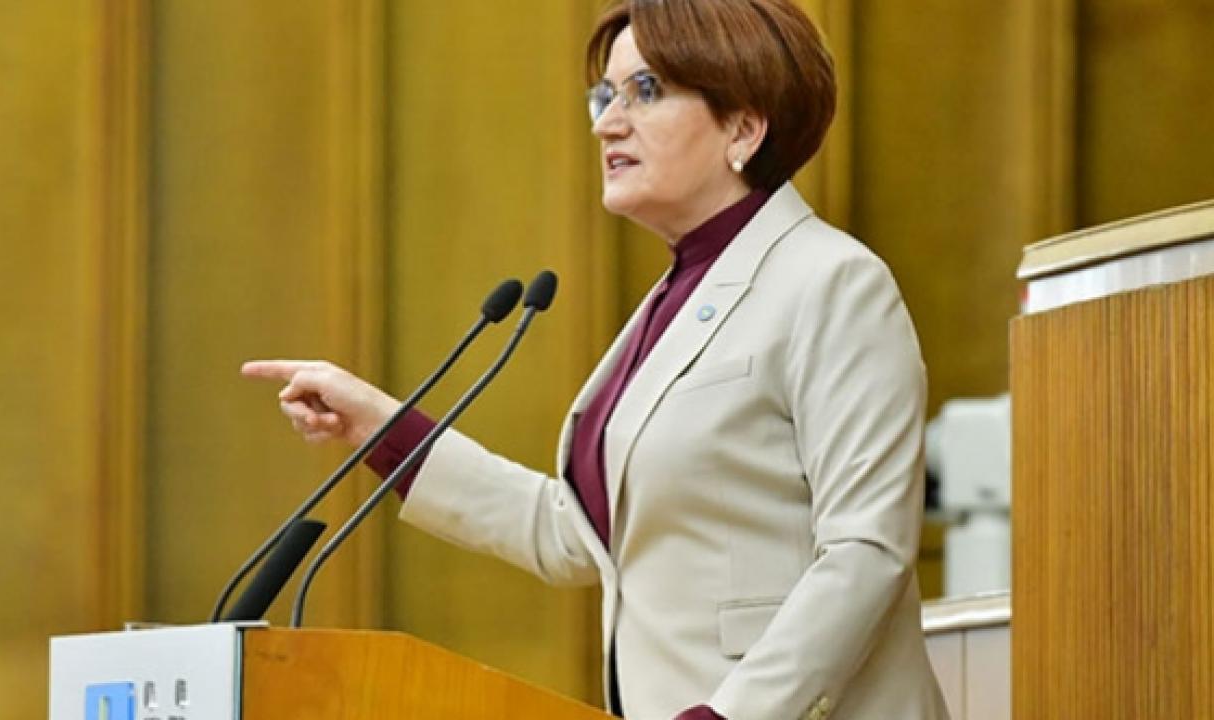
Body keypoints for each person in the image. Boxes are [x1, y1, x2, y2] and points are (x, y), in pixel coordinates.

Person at [243, 1, 949, 718]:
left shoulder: (831, 282)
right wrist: (381, 428)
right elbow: (571, 534)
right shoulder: (677, 298)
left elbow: (866, 549)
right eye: (605, 95)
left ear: (743, 127)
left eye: (645, 91)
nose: (607, 123)